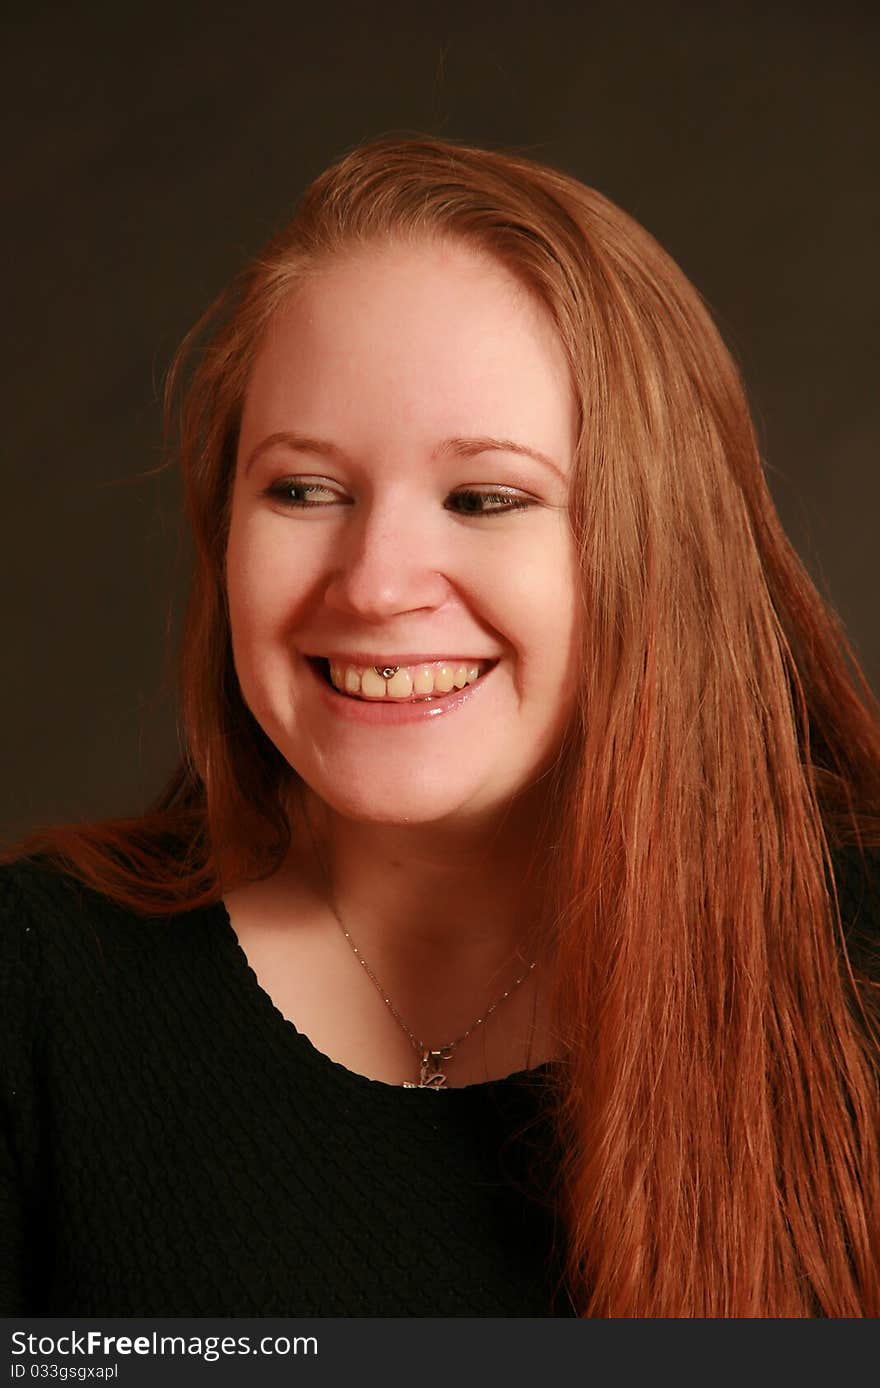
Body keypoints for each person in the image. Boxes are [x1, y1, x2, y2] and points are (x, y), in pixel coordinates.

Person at [2, 135, 879, 1319]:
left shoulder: (857, 976)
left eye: (485, 497)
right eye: (304, 489)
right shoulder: (36, 981)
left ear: (661, 547)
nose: (372, 584)